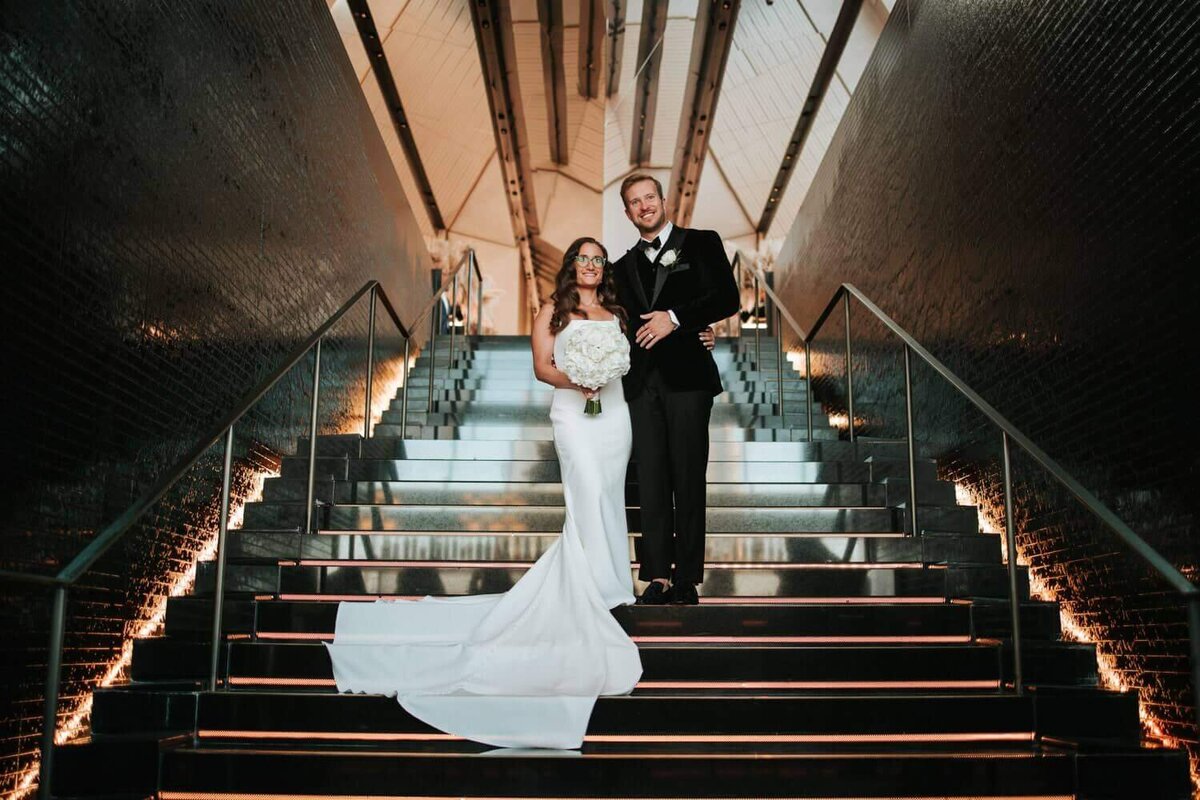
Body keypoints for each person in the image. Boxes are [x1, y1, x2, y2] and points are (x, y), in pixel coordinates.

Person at [611, 174, 740, 606]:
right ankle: (656, 577)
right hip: (640, 383)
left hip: (688, 380)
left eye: (649, 197)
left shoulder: (702, 242)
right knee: (649, 479)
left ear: (663, 201)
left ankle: (686, 577)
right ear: (627, 213)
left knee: (687, 476)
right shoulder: (620, 267)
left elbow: (727, 297)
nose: (644, 205)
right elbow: (617, 323)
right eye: (634, 202)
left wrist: (678, 318)